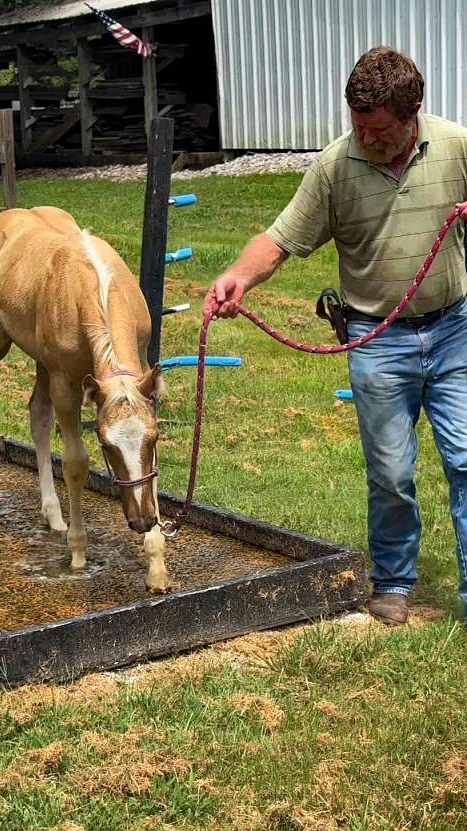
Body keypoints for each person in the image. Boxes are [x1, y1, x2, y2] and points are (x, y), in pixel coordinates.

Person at [203, 46, 467, 626]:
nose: (365, 138)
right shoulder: (334, 167)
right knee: (391, 472)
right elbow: (279, 240)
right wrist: (237, 277)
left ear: (412, 112)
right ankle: (395, 580)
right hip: (375, 337)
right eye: (357, 126)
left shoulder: (455, 145)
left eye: (377, 129)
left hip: (454, 331)